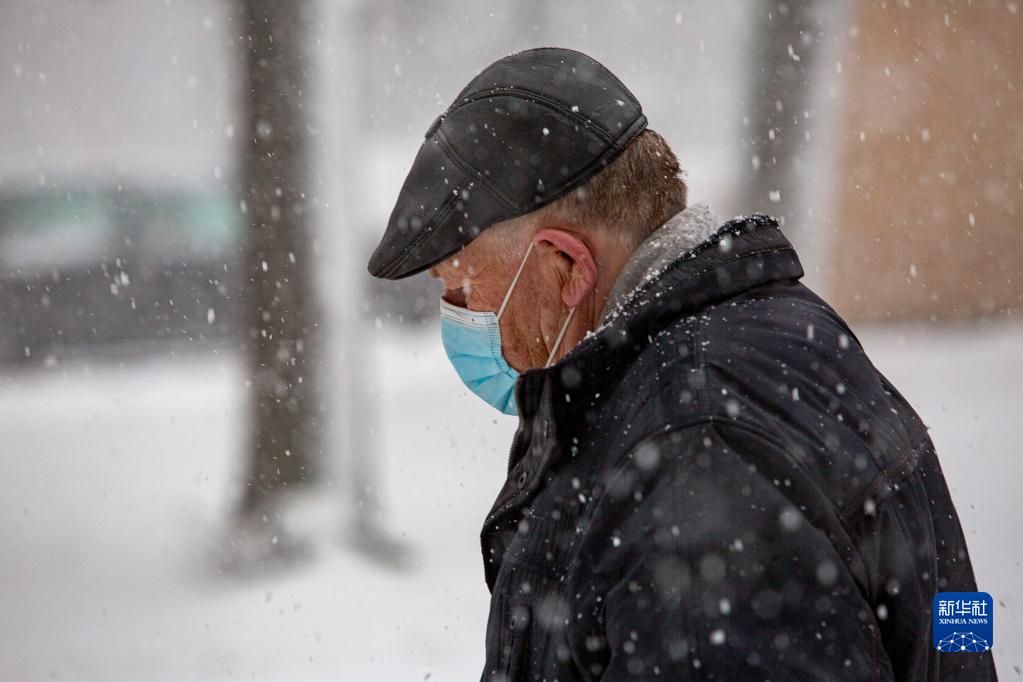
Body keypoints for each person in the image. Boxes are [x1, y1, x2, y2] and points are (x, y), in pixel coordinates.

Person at [367, 47, 996, 681]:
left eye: (461, 287)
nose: (457, 316)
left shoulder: (697, 446)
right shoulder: (779, 335)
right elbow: (957, 626)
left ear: (565, 267)